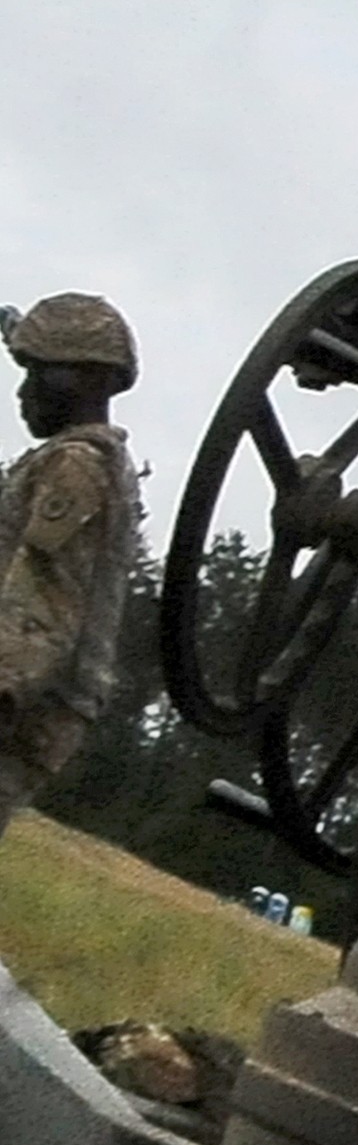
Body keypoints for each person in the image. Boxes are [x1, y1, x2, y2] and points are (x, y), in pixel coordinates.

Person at [0, 294, 143, 844]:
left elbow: (44, 603)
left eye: (35, 374)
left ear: (74, 381)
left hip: (20, 713)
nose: (21, 394)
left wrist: (6, 690)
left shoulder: (76, 465)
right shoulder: (87, 461)